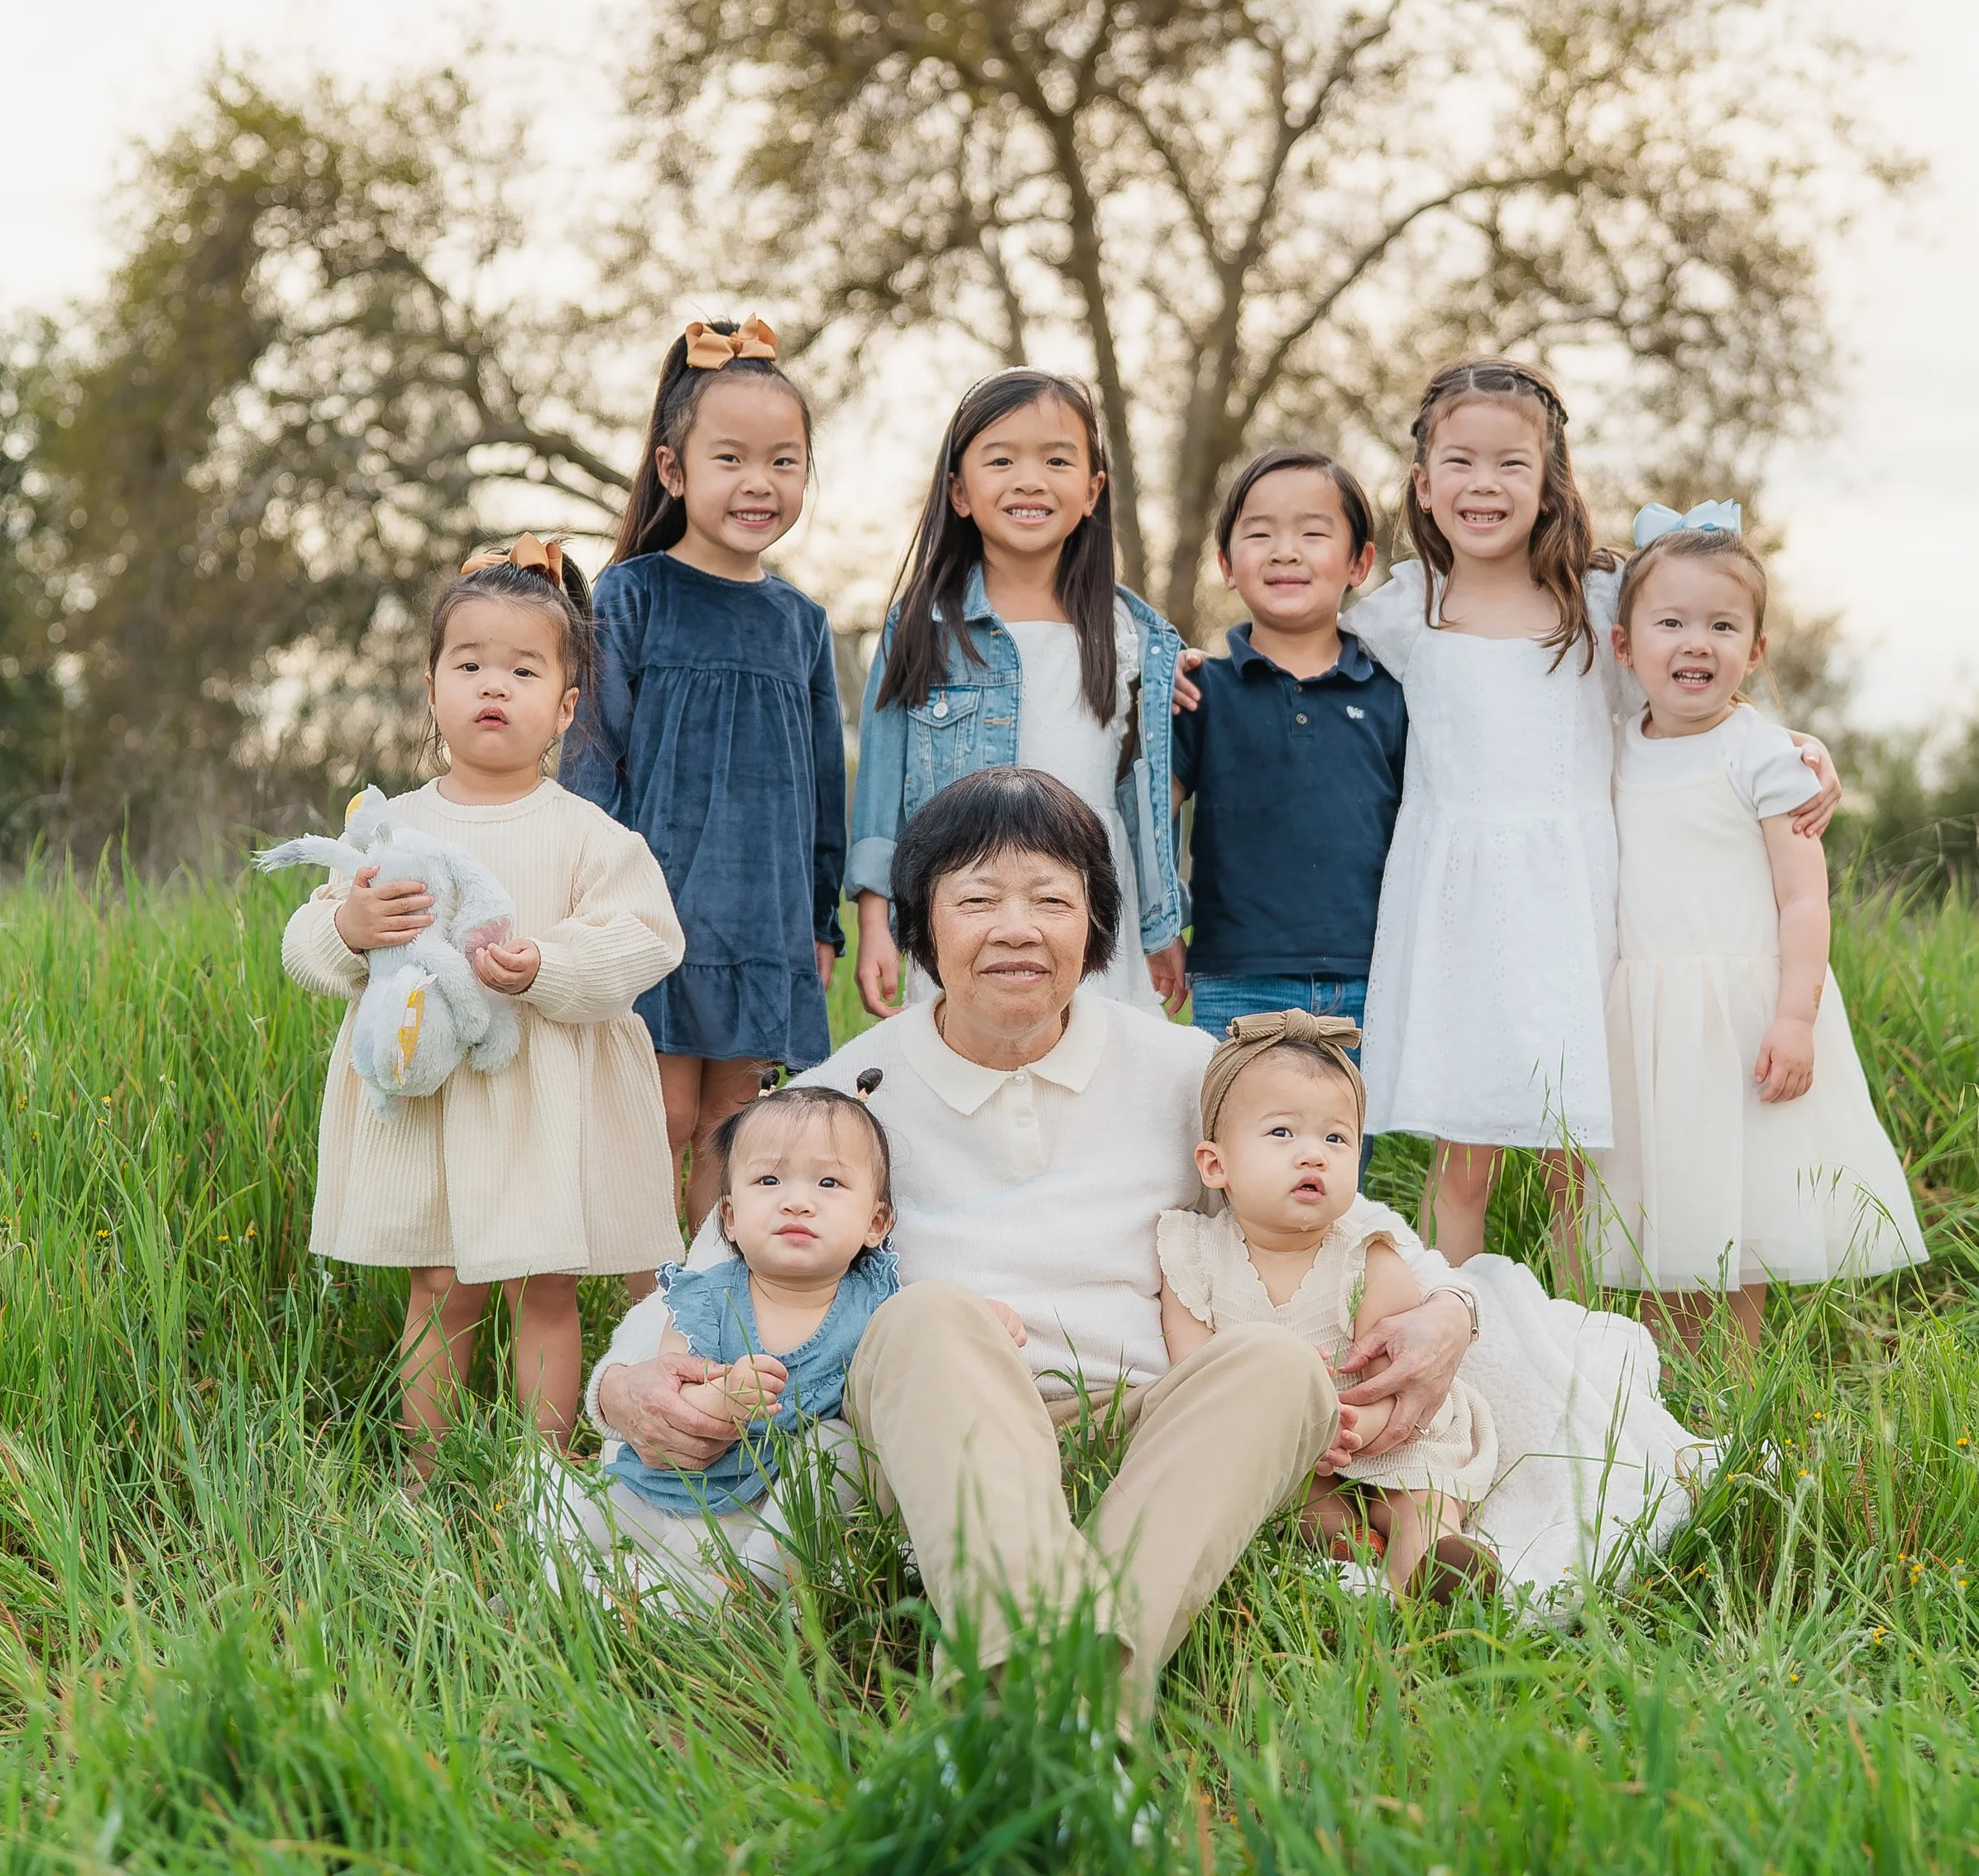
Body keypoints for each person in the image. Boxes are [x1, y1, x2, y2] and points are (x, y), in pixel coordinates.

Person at [587, 767, 1482, 1726]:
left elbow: (1343, 1219)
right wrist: (621, 1385)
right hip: (941, 1433)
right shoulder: (846, 1096)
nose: (1016, 929)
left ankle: (1053, 1704)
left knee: (1273, 1366)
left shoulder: (1189, 1072)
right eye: (977, 900)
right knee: (930, 1313)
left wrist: (1450, 1312)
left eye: (1051, 900)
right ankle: (1051, 1698)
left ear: (1092, 925)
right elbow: (705, 1281)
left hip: (1145, 1427)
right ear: (926, 926)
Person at [1341, 360, 1840, 1278]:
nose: (1482, 486)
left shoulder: (1595, 599)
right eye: (1459, 462)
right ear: (1421, 484)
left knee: (1579, 1156)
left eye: (1510, 465)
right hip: (1453, 901)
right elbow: (1305, 659)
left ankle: (1580, 1346)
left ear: (1548, 481)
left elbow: (1690, 684)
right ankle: (1448, 1325)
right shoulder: (1408, 605)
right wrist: (1200, 666)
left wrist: (1794, 740)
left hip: (1575, 903)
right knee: (1463, 1160)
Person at [280, 539, 684, 1466]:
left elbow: (645, 940)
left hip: (544, 1103)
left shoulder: (589, 833)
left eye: (522, 669)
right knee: (440, 1283)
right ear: (432, 689)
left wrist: (546, 961)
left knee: (544, 1286)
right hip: (437, 1102)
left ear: (566, 706)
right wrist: (353, 925)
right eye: (469, 666)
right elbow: (307, 946)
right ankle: (426, 1479)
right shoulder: (394, 829)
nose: (492, 687)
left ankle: (543, 1479)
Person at [1587, 507, 1926, 1347]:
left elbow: (1802, 899)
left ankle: (1734, 1415)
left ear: (1756, 651)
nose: (1695, 643)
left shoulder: (1765, 754)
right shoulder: (1607, 748)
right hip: (1643, 1026)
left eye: (1721, 626)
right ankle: (1660, 1417)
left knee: (1734, 1231)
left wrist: (1794, 1015)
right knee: (1655, 1231)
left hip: (1741, 1020)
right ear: (1624, 646)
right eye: (1670, 623)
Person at [559, 318, 846, 1254]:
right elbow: (591, 764)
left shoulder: (799, 624)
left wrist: (820, 924)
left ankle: (715, 1306)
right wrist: (587, 909)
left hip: (762, 917)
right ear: (674, 470)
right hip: (657, 914)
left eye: (784, 461)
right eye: (731, 459)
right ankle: (651, 1313)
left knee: (735, 1128)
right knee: (663, 1118)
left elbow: (823, 790)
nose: (759, 484)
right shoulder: (630, 597)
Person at [848, 373, 1185, 1021]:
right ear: (959, 491)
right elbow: (882, 794)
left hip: (1088, 907)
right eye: (1001, 460)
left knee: (1092, 1081)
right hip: (967, 907)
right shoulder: (924, 628)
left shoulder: (1133, 636)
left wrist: (1162, 924)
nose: (1029, 480)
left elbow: (1140, 797)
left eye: (1057, 460)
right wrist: (874, 923)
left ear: (1092, 491)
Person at [1157, 1012, 1499, 1600]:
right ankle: (1346, 1540)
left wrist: (1352, 1427)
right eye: (1282, 1134)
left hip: (1387, 1436)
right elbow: (1193, 1372)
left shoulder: (1368, 1260)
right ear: (1216, 1165)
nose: (1313, 1155)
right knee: (1277, 1496)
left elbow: (1395, 1385)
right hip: (1269, 1441)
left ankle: (1424, 1585)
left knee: (1415, 1499)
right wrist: (1292, 1432)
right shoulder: (1192, 1255)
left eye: (1335, 1139)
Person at [544, 1086, 902, 1605]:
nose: (796, 1201)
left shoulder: (875, 1301)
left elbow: (915, 1346)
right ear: (729, 1217)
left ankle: (749, 1591)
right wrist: (722, 1398)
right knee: (581, 1526)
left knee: (838, 1451)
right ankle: (540, 1591)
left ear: (876, 1222)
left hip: (771, 1509)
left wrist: (982, 1319)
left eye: (829, 1182)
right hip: (666, 1489)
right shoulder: (706, 1298)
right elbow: (672, 1391)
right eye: (768, 1180)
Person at [1166, 449, 1406, 1043]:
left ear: (1359, 562)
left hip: (1369, 978)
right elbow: (1150, 815)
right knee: (1237, 1131)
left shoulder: (1394, 696)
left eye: (1313, 532)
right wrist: (1162, 924)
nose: (1285, 550)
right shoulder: (1200, 690)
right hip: (1236, 978)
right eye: (1260, 533)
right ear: (1225, 563)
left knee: (1339, 1138)